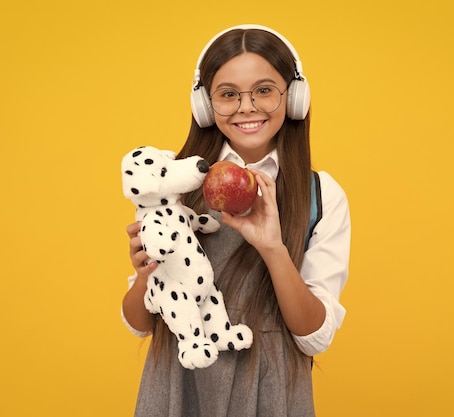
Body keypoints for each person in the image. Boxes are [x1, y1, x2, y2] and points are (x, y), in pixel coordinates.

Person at [121, 24, 351, 417]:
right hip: (182, 378)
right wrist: (146, 274)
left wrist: (273, 248)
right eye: (228, 94)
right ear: (206, 105)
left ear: (293, 97)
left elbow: (314, 337)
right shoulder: (172, 182)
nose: (247, 107)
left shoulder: (321, 194)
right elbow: (139, 323)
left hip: (272, 386)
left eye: (264, 90)